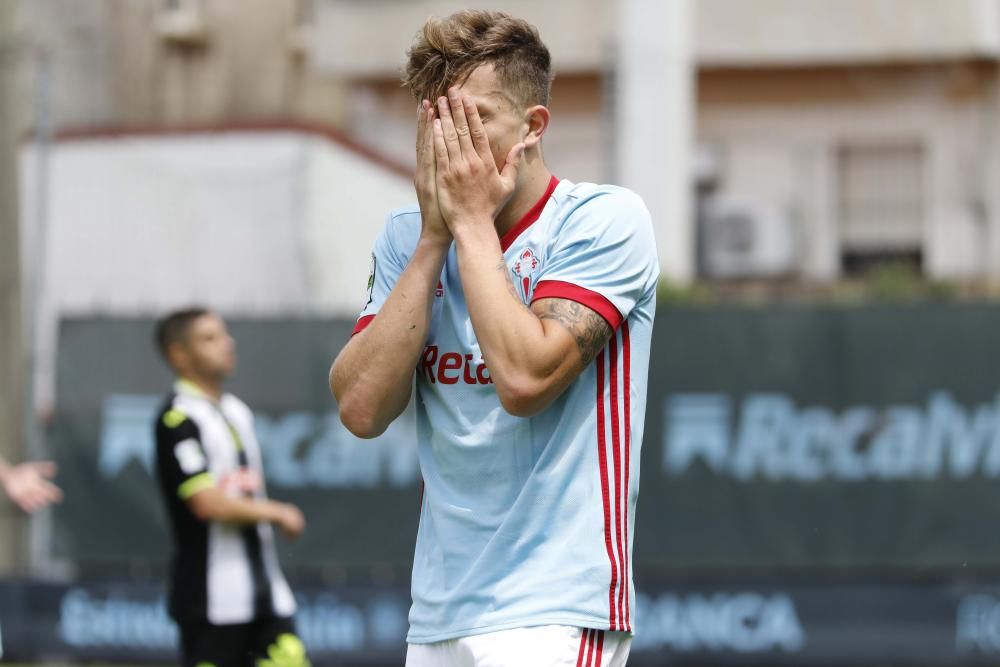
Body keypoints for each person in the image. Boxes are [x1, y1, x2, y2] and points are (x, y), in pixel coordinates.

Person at [330, 10, 659, 667]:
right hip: (439, 611)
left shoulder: (603, 220)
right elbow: (361, 409)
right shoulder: (406, 235)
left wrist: (470, 222)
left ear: (534, 127)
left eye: (475, 119)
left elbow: (525, 379)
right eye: (438, 120)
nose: (454, 145)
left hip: (557, 607)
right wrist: (432, 239)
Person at [153, 308, 309, 667]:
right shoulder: (177, 418)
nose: (227, 344)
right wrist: (277, 512)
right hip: (212, 607)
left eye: (225, 334)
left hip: (268, 600)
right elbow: (205, 502)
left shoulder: (237, 411)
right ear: (179, 354)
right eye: (210, 338)